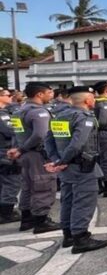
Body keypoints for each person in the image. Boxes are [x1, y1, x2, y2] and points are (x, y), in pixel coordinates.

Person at [44, 86, 107, 253]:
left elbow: (49, 140)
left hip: (66, 167)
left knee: (68, 200)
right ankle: (81, 238)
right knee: (84, 202)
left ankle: (68, 236)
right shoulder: (84, 117)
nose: (94, 101)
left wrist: (56, 160)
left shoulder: (59, 115)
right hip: (82, 166)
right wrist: (62, 160)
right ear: (87, 100)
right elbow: (77, 143)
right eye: (92, 98)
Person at [8, 82, 60, 233]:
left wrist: (19, 149)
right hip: (37, 153)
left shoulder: (19, 110)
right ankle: (41, 221)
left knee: (28, 187)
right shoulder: (39, 112)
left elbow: (17, 133)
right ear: (39, 94)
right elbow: (40, 135)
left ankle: (27, 219)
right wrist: (22, 148)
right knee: (43, 185)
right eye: (49, 93)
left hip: (25, 154)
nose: (51, 95)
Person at [0, 88, 22, 223]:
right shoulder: (3, 115)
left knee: (3, 182)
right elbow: (11, 131)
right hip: (5, 151)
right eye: (8, 95)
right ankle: (6, 212)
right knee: (12, 182)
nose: (10, 97)